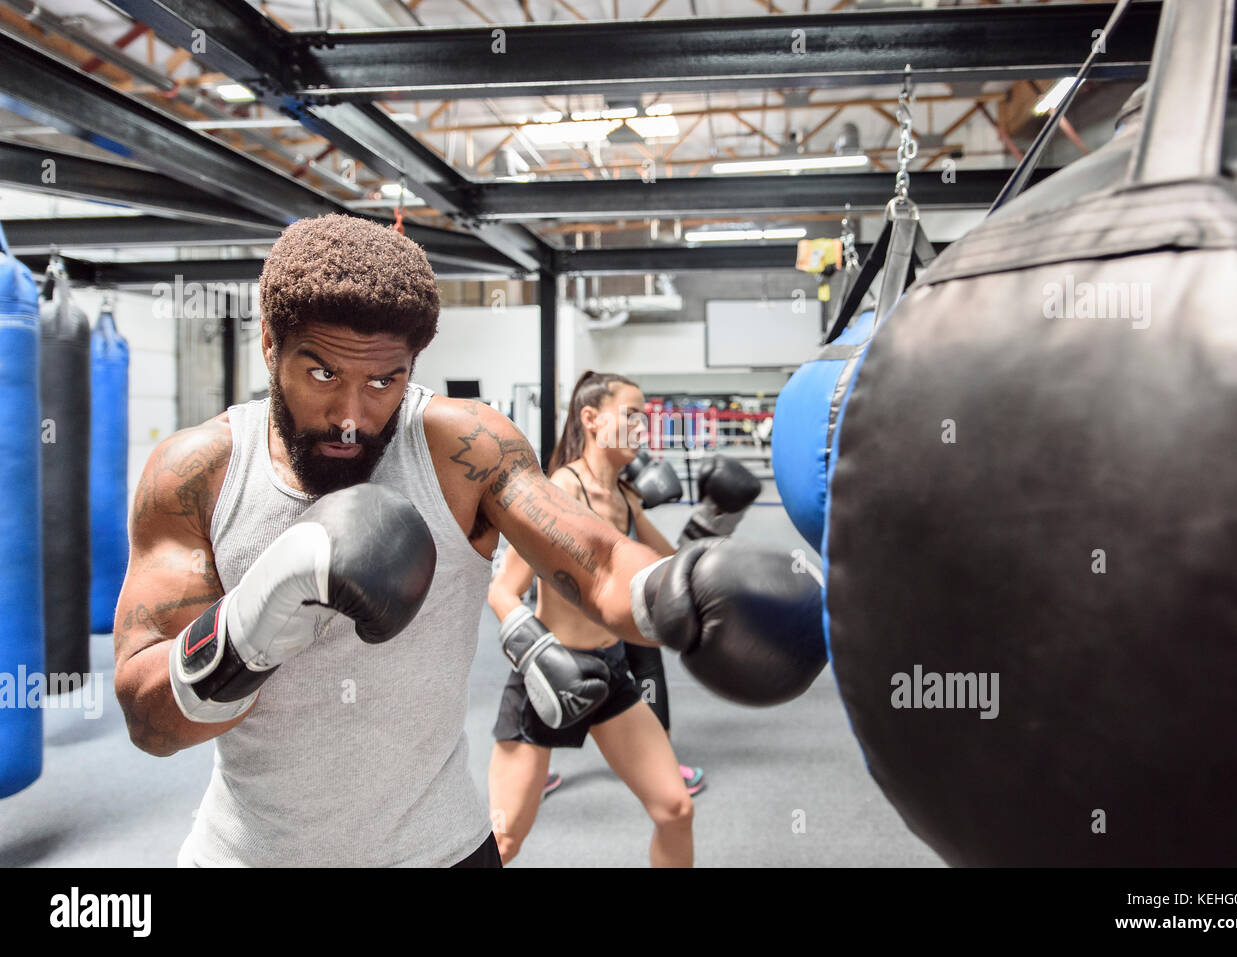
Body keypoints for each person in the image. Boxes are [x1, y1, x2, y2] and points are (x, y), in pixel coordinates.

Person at [112, 213, 825, 867]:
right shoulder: (197, 472)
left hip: (441, 849)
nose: (353, 415)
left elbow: (599, 561)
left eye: (385, 379)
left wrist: (675, 592)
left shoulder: (465, 449)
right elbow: (151, 721)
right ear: (270, 343)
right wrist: (261, 609)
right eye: (322, 372)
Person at [487, 372, 694, 866]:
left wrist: (718, 519)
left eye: (646, 415)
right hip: (546, 675)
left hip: (610, 672)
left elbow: (675, 571)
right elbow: (503, 590)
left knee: (675, 808)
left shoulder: (624, 498)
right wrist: (539, 656)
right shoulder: (561, 490)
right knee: (504, 842)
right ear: (591, 419)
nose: (643, 426)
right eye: (632, 414)